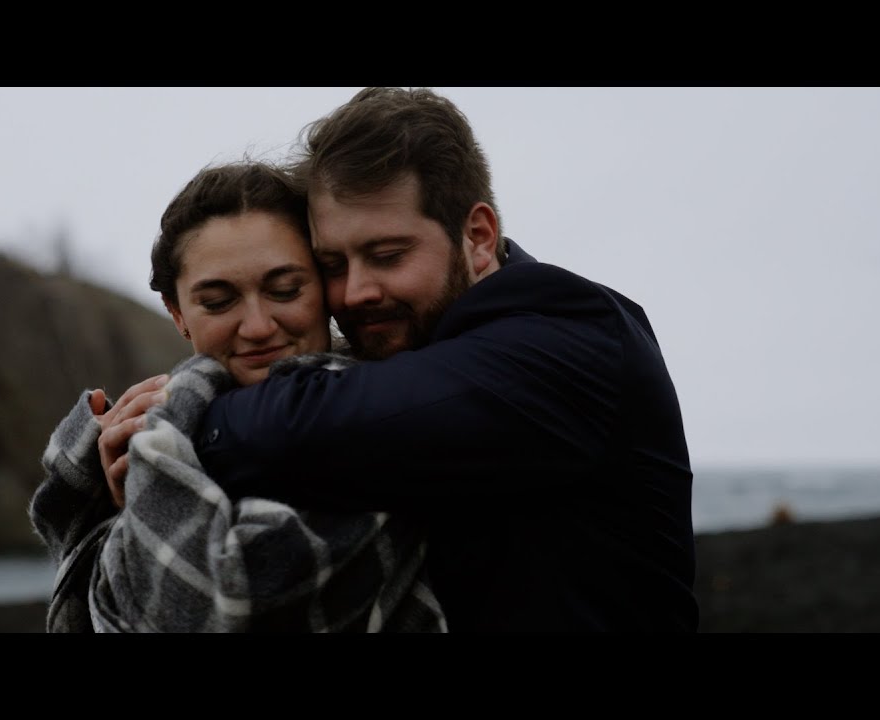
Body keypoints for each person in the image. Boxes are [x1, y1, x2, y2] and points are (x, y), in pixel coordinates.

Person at [193, 87, 699, 632]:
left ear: (478, 237)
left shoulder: (567, 334)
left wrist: (179, 427)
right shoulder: (426, 352)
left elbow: (313, 425)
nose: (356, 291)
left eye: (387, 256)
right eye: (333, 264)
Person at [28, 161, 446, 632]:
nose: (258, 327)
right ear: (177, 312)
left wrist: (150, 494)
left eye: (285, 290)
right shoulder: (165, 436)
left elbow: (199, 611)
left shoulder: (375, 421)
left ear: (326, 288)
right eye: (218, 301)